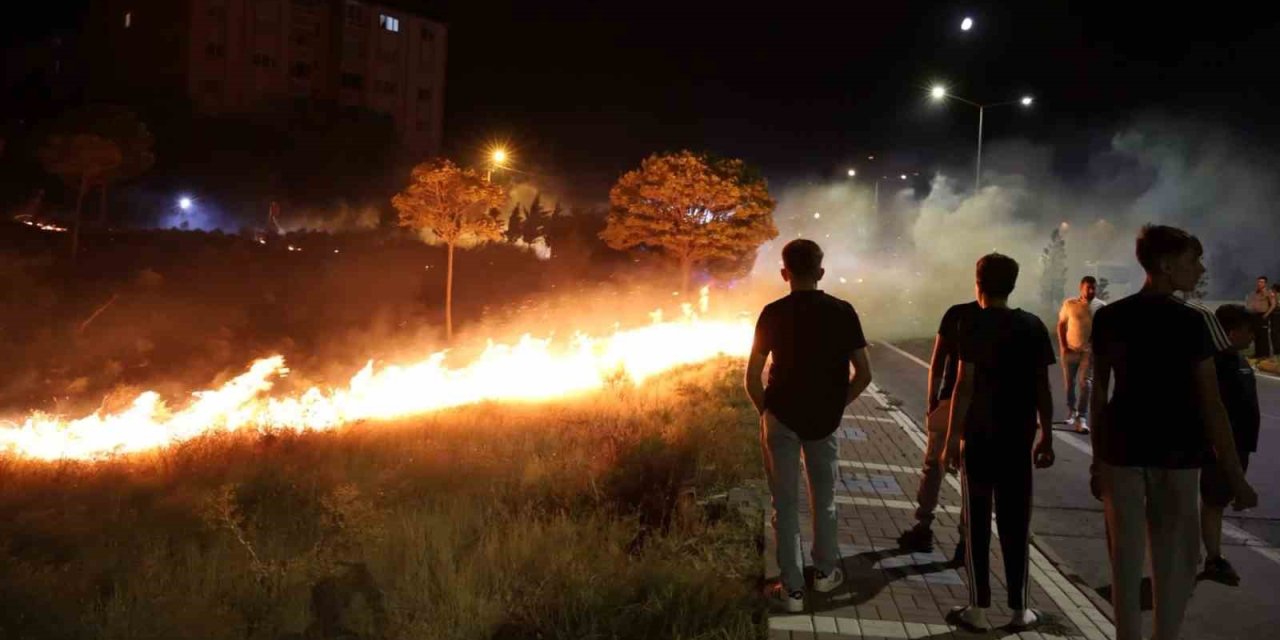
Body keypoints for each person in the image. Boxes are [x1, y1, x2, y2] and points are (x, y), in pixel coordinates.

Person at [1089, 225, 1258, 640]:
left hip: (1120, 453)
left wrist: (1097, 459)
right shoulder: (1193, 321)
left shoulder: (1110, 316)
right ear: (1166, 266)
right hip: (1177, 457)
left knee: (1125, 564)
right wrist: (1236, 477)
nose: (1199, 269)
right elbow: (1212, 405)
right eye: (1191, 261)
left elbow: (1098, 394)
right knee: (1175, 567)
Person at [745, 239, 874, 612]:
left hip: (781, 418)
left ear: (785, 273)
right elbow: (863, 374)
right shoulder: (843, 311)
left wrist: (765, 413)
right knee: (826, 500)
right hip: (824, 420)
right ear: (820, 272)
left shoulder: (772, 313)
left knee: (784, 504)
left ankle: (792, 589)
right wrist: (836, 406)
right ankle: (825, 572)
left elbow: (753, 376)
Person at [941, 253, 1057, 632]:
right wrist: (1047, 435)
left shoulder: (971, 323)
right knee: (1015, 522)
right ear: (1013, 284)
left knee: (976, 520)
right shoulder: (1032, 325)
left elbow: (964, 384)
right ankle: (1020, 608)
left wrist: (951, 439)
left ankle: (977, 607)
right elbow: (1042, 386)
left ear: (978, 284)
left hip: (979, 436)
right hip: (1017, 437)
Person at [897, 298, 981, 558]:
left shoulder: (957, 313)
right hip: (985, 409)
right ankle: (966, 540)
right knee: (973, 475)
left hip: (948, 401)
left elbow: (938, 360)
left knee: (934, 465)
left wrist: (932, 401)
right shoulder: (1010, 321)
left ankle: (923, 526)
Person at [1197, 304, 1260, 586]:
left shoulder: (1240, 361)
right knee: (1212, 501)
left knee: (1219, 502)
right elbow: (1212, 408)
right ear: (1231, 332)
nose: (1252, 338)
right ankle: (1210, 557)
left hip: (1242, 444)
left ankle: (1212, 556)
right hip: (1222, 446)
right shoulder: (1215, 363)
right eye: (1248, 331)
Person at [1057, 276, 1104, 434]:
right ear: (1081, 287)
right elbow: (1061, 324)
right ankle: (1071, 410)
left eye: (1093, 288)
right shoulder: (1070, 304)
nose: (1091, 291)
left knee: (1086, 384)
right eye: (1088, 288)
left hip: (1088, 351)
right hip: (1070, 349)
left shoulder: (1101, 307)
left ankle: (1081, 417)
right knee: (1069, 383)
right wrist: (1063, 346)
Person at [1245, 276, 1274, 359]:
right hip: (1255, 315)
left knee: (1263, 335)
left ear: (1265, 283)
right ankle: (1258, 354)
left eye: (1261, 282)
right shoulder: (1254, 293)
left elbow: (1273, 304)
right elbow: (1250, 303)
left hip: (1263, 315)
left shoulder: (1269, 292)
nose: (1259, 283)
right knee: (1256, 335)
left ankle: (1265, 354)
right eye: (1258, 282)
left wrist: (1267, 314)